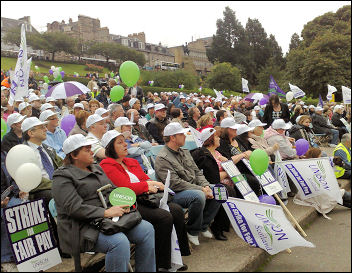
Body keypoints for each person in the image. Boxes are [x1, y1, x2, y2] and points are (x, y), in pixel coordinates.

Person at [52, 134, 156, 272]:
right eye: (86, 149)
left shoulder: (96, 167)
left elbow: (112, 190)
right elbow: (73, 208)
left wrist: (124, 203)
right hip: (81, 226)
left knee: (146, 229)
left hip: (108, 220)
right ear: (74, 155)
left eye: (90, 147)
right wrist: (105, 212)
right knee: (119, 242)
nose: (91, 151)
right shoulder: (62, 176)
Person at [100, 131, 190, 271]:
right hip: (128, 203)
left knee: (176, 210)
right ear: (110, 147)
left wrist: (148, 185)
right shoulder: (107, 165)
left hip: (145, 198)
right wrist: (147, 186)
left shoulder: (131, 161)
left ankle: (175, 257)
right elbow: (126, 188)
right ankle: (161, 264)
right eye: (119, 142)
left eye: (124, 141)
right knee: (163, 217)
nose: (125, 144)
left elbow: (145, 179)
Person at [155, 122, 221, 246]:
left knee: (219, 190)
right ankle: (192, 231)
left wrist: (206, 186)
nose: (185, 136)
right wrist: (201, 189)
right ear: (172, 137)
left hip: (193, 187)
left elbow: (197, 172)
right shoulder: (162, 158)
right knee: (198, 196)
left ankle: (203, 225)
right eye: (181, 134)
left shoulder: (184, 152)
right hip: (174, 193)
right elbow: (175, 184)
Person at [190, 128, 237, 241]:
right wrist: (228, 172)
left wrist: (227, 163)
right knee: (224, 191)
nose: (219, 138)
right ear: (210, 140)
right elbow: (213, 177)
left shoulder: (217, 152)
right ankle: (216, 226)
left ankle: (227, 222)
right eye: (216, 137)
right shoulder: (204, 155)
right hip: (213, 182)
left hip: (226, 179)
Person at [216, 117, 261, 196]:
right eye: (233, 129)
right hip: (237, 171)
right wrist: (243, 155)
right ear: (227, 130)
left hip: (249, 166)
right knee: (253, 181)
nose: (236, 130)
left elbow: (248, 150)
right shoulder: (221, 143)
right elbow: (227, 161)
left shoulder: (237, 139)